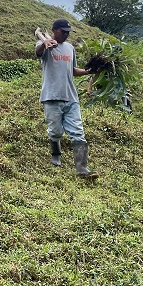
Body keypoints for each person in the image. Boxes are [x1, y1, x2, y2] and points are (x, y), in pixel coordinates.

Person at [35, 19, 99, 179]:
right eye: (63, 31)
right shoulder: (45, 45)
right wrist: (45, 43)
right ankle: (56, 157)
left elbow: (73, 70)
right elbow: (37, 52)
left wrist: (90, 71)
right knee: (55, 131)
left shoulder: (70, 48)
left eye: (68, 32)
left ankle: (82, 169)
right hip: (52, 97)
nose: (66, 34)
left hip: (71, 97)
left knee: (78, 132)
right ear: (54, 30)